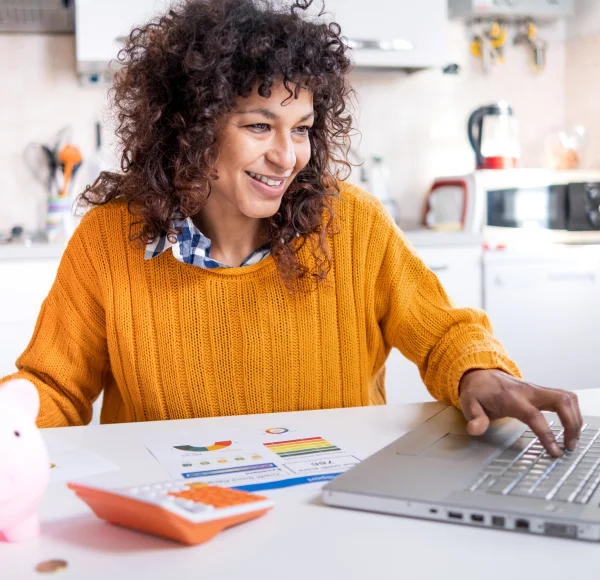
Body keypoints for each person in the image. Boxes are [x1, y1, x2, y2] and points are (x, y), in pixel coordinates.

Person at [0, 0, 581, 457]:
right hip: (172, 526)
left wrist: (479, 371)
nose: (287, 156)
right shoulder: (110, 239)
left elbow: (443, 334)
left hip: (335, 510)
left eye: (301, 128)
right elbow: (56, 388)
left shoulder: (349, 223)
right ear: (189, 129)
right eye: (259, 126)